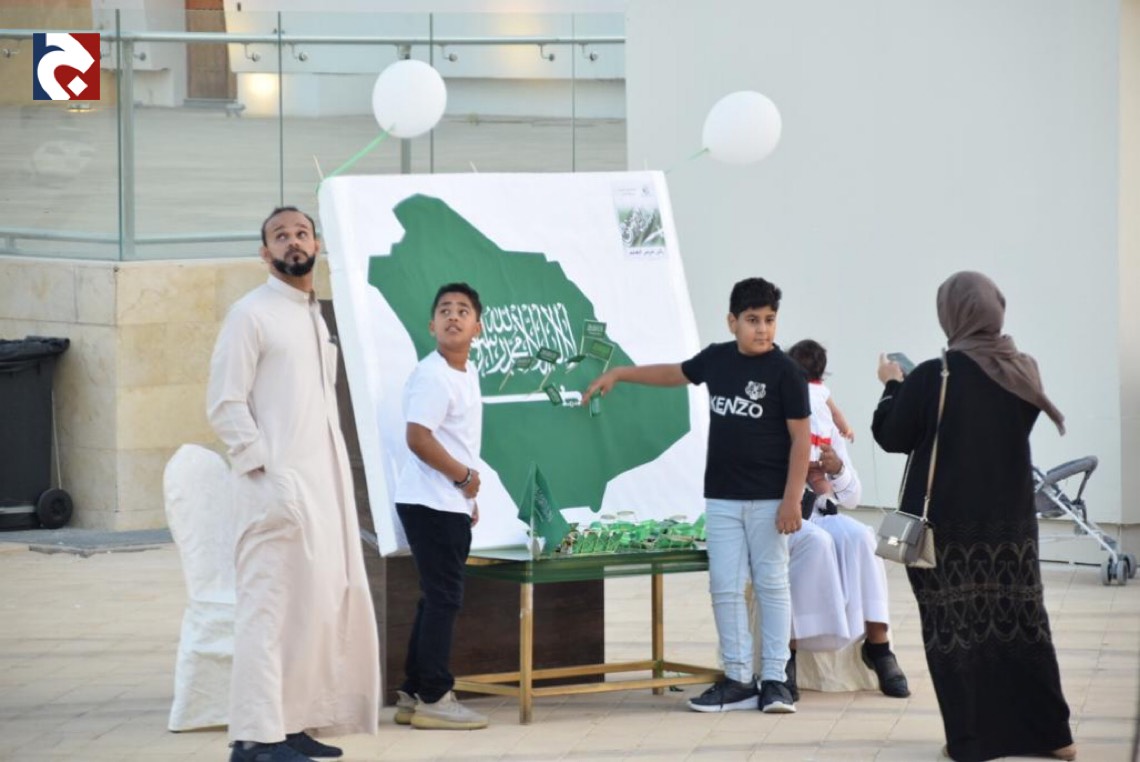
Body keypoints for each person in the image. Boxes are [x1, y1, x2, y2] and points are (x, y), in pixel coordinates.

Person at [871, 271, 1074, 762]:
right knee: (1023, 623)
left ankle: (973, 741)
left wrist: (891, 385)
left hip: (947, 529)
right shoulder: (1022, 370)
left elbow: (892, 436)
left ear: (951, 314)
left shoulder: (934, 374)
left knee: (954, 630)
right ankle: (1054, 736)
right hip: (1011, 528)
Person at [584, 277, 809, 714]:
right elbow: (674, 373)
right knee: (724, 587)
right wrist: (619, 374)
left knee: (772, 586)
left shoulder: (787, 372)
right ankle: (738, 679)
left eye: (769, 320)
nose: (762, 329)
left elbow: (801, 440)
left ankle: (776, 681)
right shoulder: (717, 360)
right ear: (731, 321)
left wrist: (791, 500)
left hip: (770, 500)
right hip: (721, 499)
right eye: (752, 320)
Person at [207, 207, 379, 762]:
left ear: (317, 245)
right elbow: (225, 402)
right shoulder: (250, 314)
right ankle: (254, 739)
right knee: (268, 612)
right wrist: (266, 471)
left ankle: (291, 723)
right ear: (265, 253)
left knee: (311, 608)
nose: (292, 242)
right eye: (280, 236)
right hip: (274, 492)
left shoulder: (312, 315)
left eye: (301, 233)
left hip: (320, 491)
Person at [784, 340, 908, 700]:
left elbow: (852, 498)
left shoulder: (825, 420)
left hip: (821, 511)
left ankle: (878, 646)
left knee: (862, 537)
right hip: (787, 516)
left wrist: (836, 469)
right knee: (816, 543)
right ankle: (786, 654)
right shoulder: (777, 414)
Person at [391, 283, 489, 731]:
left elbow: (456, 440)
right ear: (431, 326)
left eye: (463, 310)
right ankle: (434, 695)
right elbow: (418, 438)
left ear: (477, 327)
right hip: (430, 502)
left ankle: (414, 692)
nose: (453, 316)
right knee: (444, 598)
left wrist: (465, 496)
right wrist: (463, 479)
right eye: (445, 310)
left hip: (445, 501)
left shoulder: (465, 372)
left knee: (436, 597)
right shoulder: (433, 375)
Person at [787, 339, 854, 460]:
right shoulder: (822, 390)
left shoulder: (795, 389)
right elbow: (835, 413)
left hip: (803, 444)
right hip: (823, 445)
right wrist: (846, 429)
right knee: (819, 471)